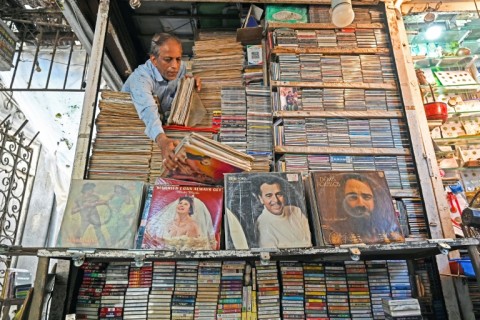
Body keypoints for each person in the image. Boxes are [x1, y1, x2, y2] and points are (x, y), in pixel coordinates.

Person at [122, 32, 201, 171]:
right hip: (135, 135)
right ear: (153, 60)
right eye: (168, 59)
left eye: (178, 59)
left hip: (160, 128)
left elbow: (180, 83)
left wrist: (190, 82)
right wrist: (163, 141)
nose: (175, 66)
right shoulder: (140, 78)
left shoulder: (180, 68)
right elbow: (148, 110)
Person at [330, 173, 403, 244]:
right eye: (352, 197)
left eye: (366, 197)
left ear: (374, 201)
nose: (361, 203)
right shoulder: (335, 231)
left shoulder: (389, 228)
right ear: (342, 201)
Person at [253, 175, 311, 248]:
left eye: (279, 194)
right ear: (261, 199)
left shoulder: (296, 211)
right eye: (269, 196)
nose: (276, 200)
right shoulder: (262, 224)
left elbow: (309, 243)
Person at [71, 182, 108, 247]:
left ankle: (104, 247)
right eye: (91, 189)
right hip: (85, 219)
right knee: (78, 235)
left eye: (92, 189)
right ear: (86, 190)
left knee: (99, 233)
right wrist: (83, 206)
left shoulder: (94, 197)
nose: (93, 191)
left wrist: (94, 203)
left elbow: (104, 201)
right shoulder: (78, 199)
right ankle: (78, 248)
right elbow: (73, 211)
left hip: (95, 218)